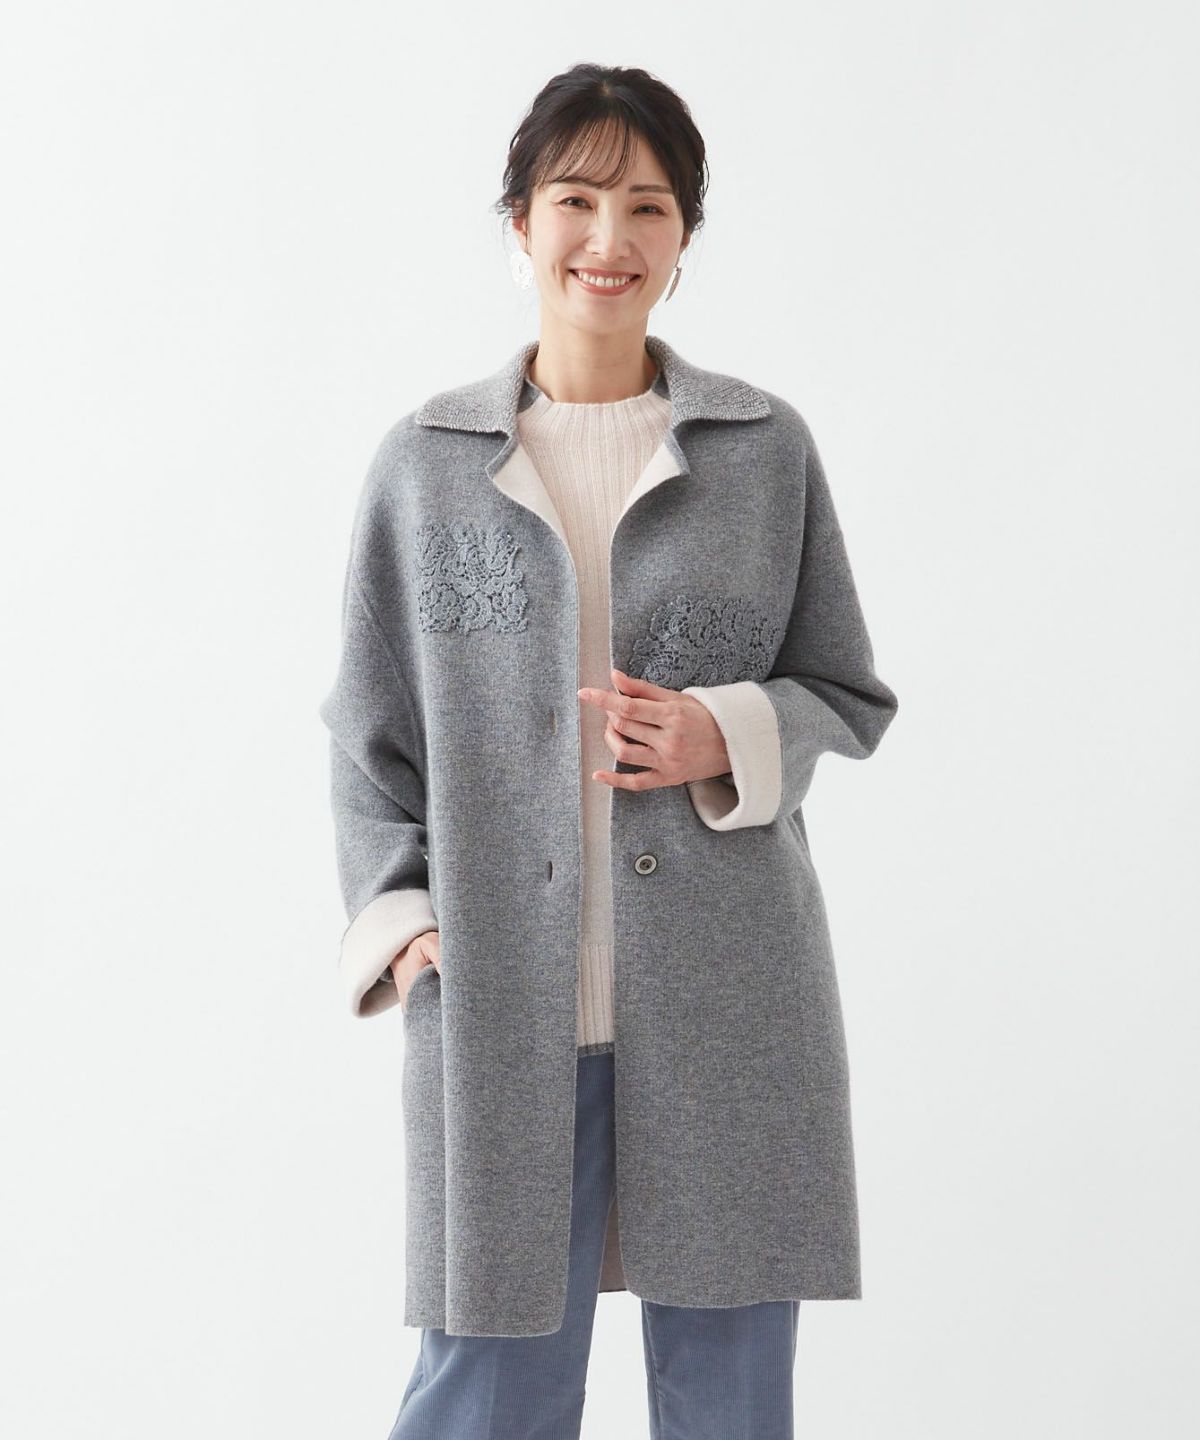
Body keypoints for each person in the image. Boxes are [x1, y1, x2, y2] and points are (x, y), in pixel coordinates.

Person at [318, 62, 899, 1440]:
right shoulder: (426, 462)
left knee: (730, 1402)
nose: (609, 238)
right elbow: (367, 733)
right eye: (575, 200)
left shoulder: (762, 449)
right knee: (484, 1395)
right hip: (499, 1011)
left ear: (684, 238)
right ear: (519, 222)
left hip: (728, 1006)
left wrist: (728, 731)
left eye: (648, 206)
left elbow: (845, 690)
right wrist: (402, 926)